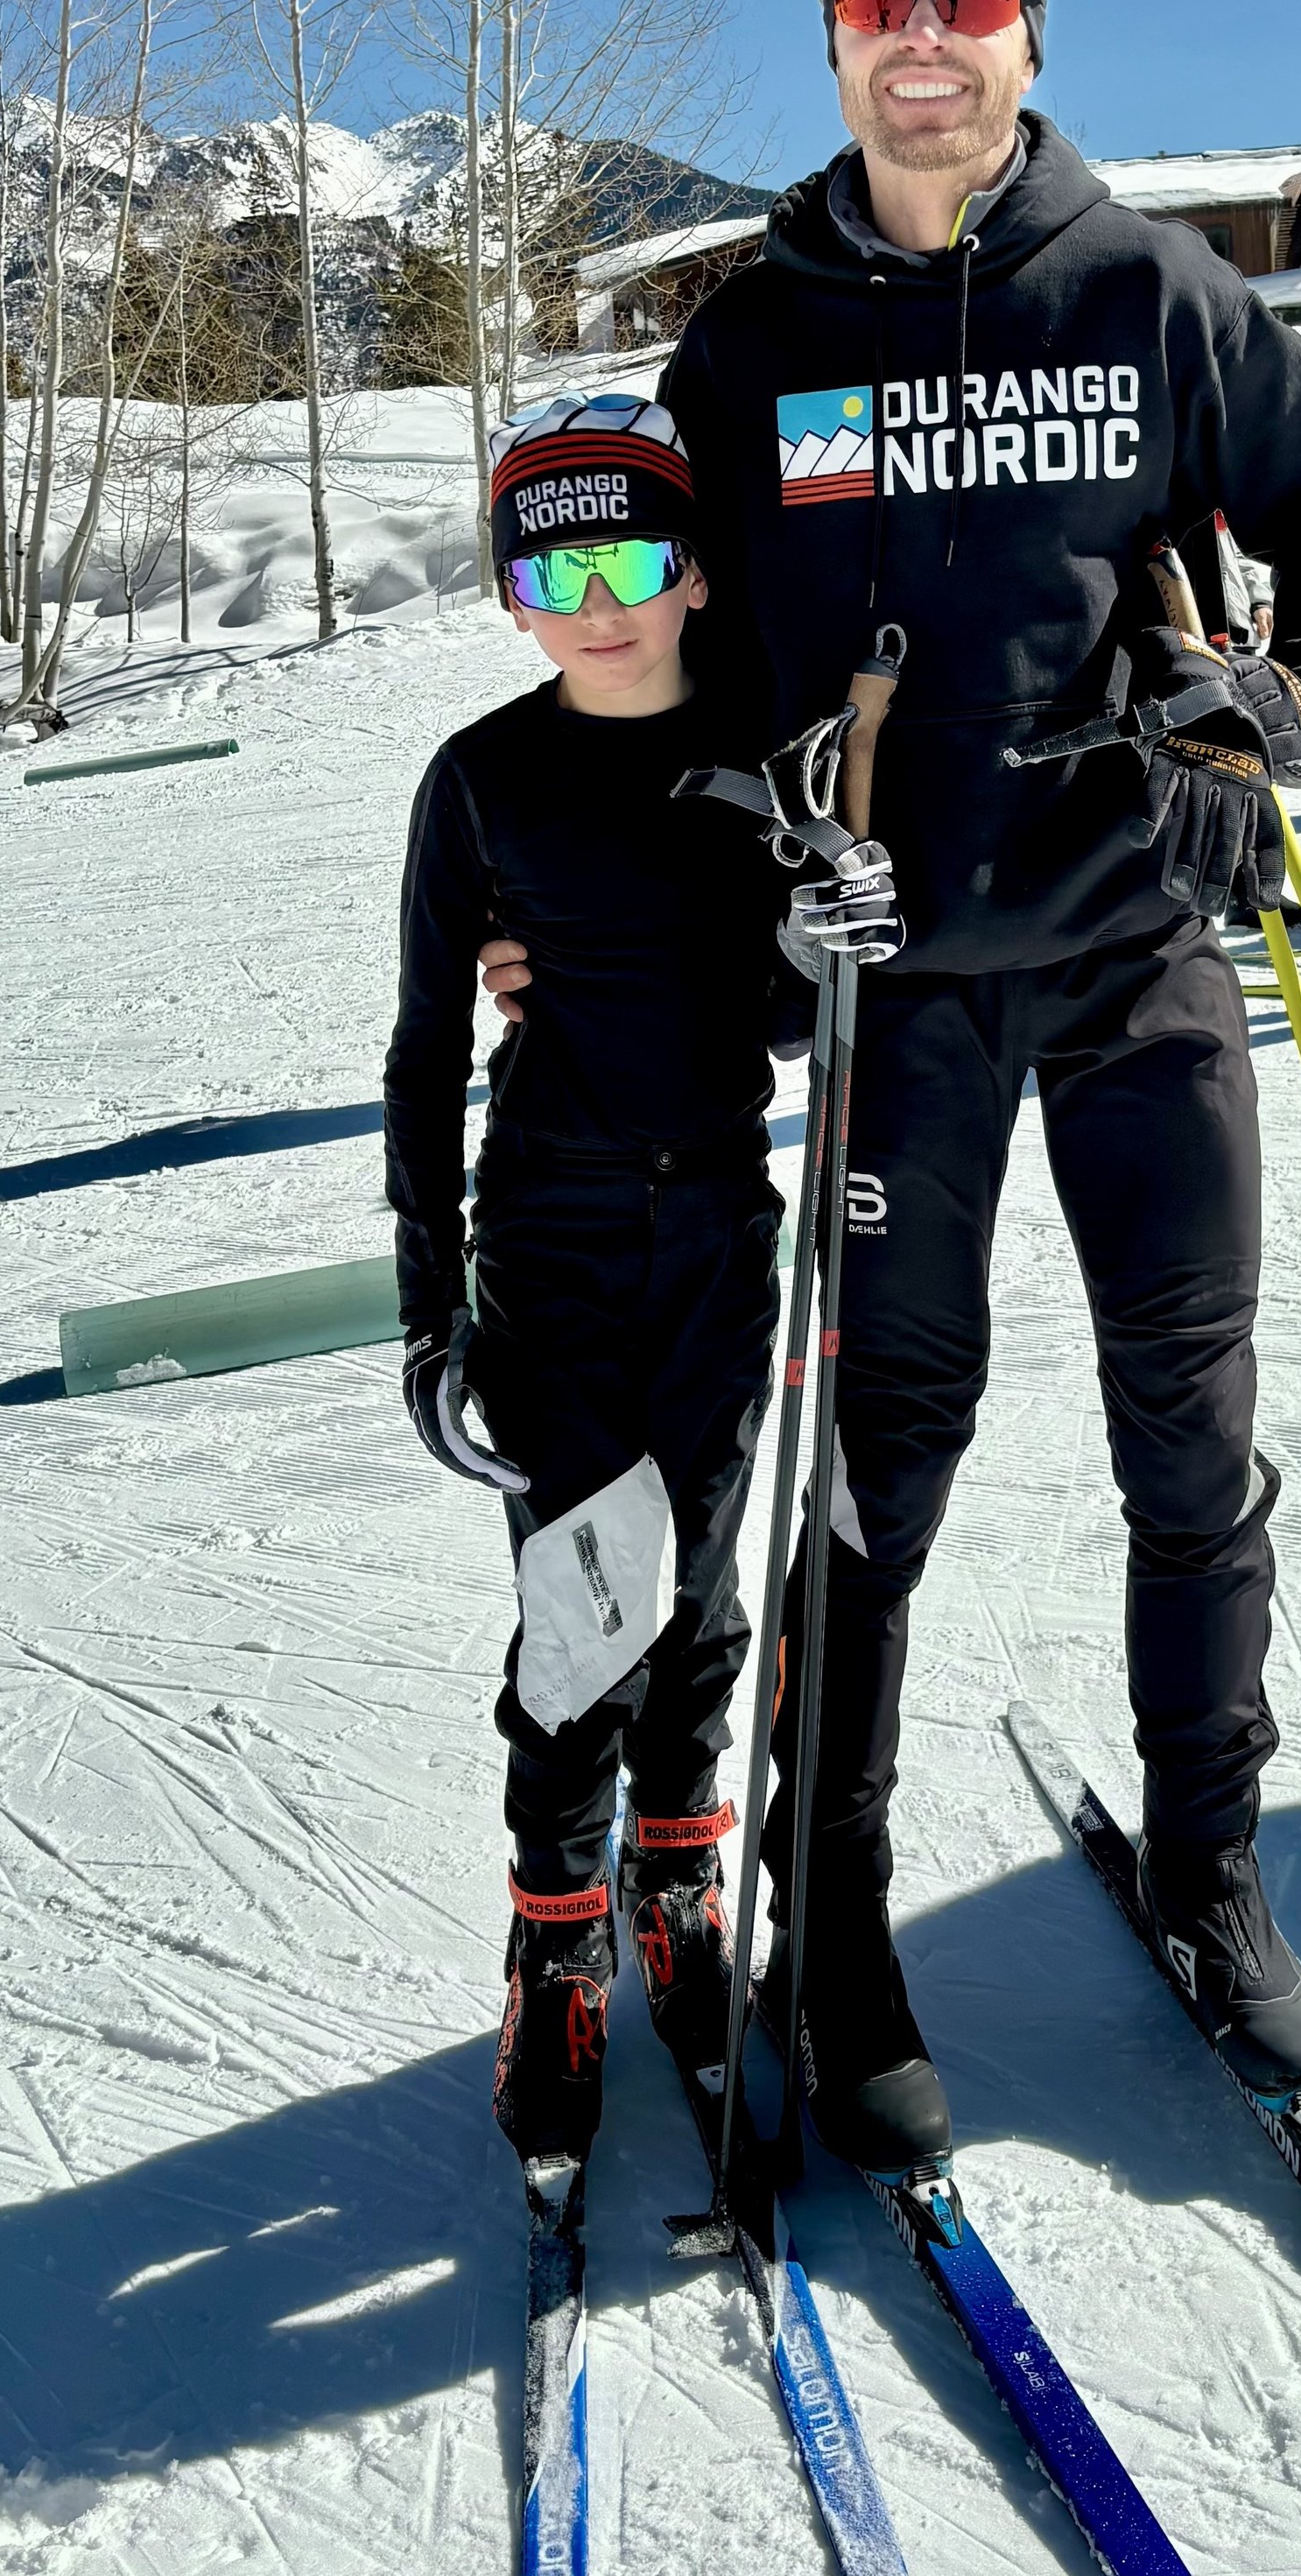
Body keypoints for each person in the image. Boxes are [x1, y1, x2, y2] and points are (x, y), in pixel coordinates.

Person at [662, 0, 1301, 2178]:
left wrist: (1293, 705)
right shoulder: (748, 339)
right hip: (895, 994)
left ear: (1027, 33)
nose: (922, 36)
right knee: (881, 1470)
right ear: (829, 37)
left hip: (1134, 961)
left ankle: (1206, 1866)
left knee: (1190, 1440)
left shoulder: (1151, 294)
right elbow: (664, 670)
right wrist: (731, 811)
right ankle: (841, 1911)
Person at [382, 395, 788, 2166]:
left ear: (693, 569)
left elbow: (783, 1007)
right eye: (552, 566)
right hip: (545, 1237)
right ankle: (553, 1940)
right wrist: (427, 1300)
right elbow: (416, 1050)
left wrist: (841, 922)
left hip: (717, 1224)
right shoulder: (482, 776)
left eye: (632, 554)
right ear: (510, 594)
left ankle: (675, 1884)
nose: (597, 599)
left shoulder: (776, 749)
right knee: (581, 1604)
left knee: (695, 1589)